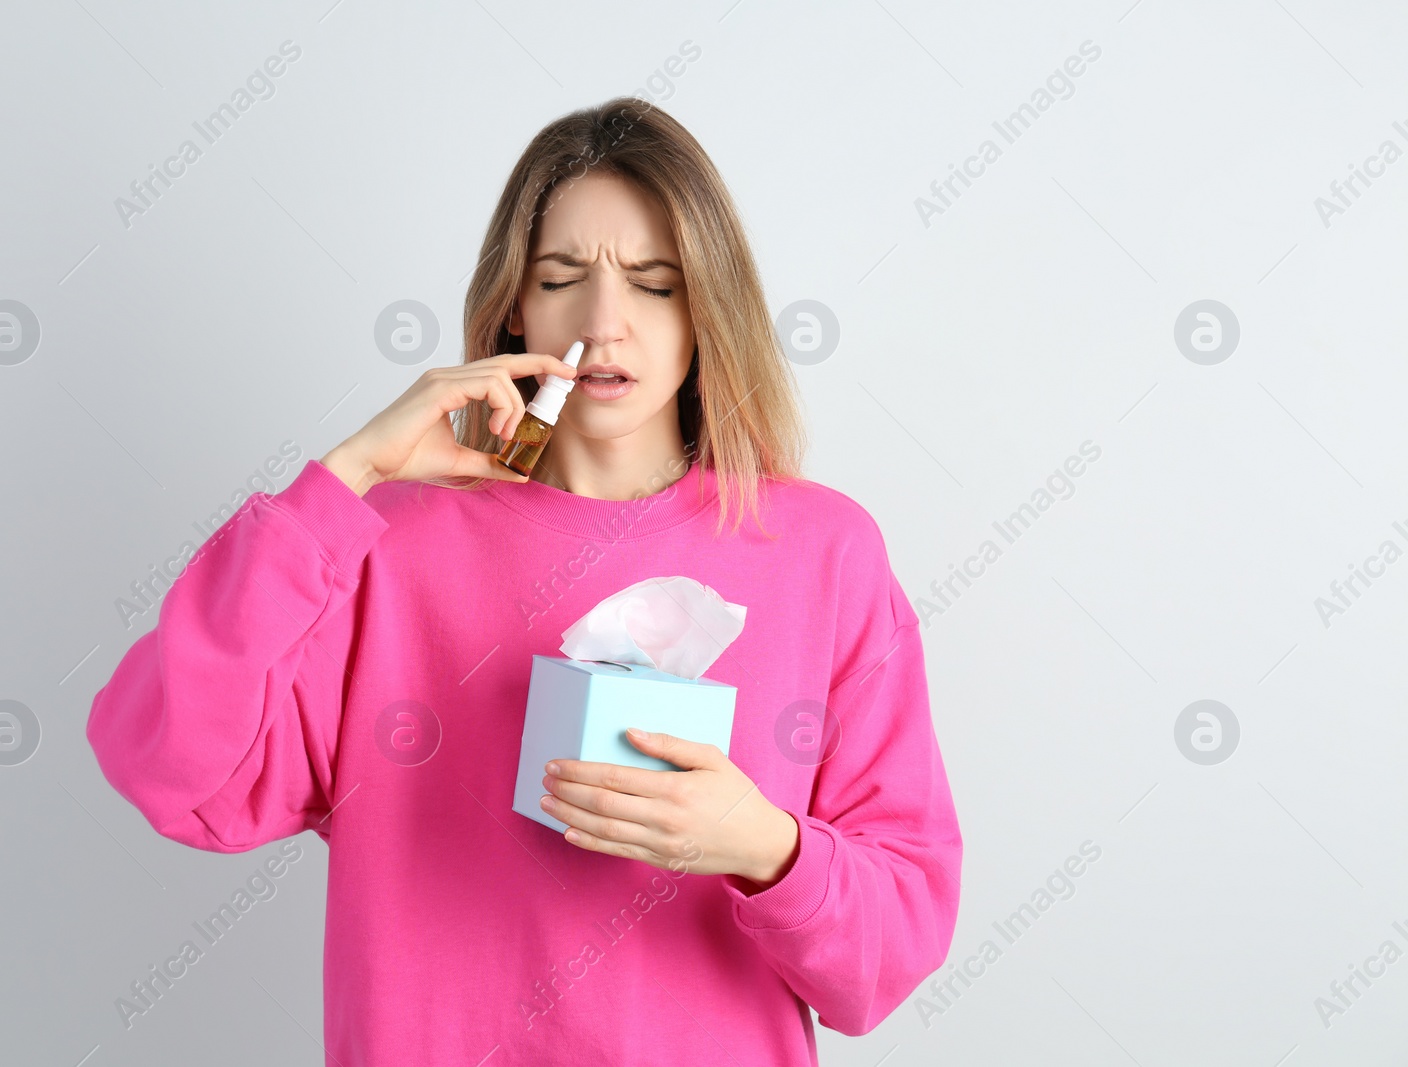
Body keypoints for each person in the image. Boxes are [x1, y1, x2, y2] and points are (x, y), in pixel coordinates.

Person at [86, 95, 961, 1065]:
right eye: (562, 277)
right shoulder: (383, 546)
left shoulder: (820, 550)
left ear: (708, 307)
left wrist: (766, 845)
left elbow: (890, 953)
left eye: (655, 283)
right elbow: (167, 769)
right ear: (516, 304)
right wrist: (339, 484)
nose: (604, 323)